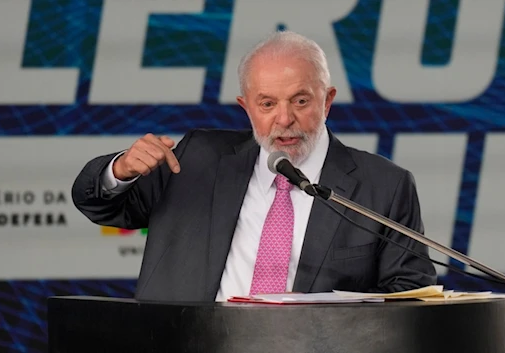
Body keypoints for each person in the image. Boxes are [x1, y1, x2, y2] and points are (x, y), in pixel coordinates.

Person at [72, 30, 437, 302]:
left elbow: (410, 295)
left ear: (327, 101)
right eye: (266, 104)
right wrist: (120, 171)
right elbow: (102, 206)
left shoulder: (384, 186)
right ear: (245, 107)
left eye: (300, 100)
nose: (284, 118)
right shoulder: (198, 159)